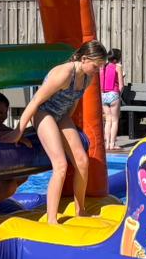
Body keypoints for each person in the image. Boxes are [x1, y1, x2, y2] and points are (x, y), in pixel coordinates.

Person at [14, 41, 107, 225]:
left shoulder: (87, 77)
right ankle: (51, 219)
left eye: (100, 67)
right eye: (96, 66)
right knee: (61, 166)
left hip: (61, 115)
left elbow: (72, 102)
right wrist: (18, 132)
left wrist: (64, 129)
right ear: (84, 59)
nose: (98, 71)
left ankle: (80, 210)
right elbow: (35, 101)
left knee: (82, 161)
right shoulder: (63, 73)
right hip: (43, 112)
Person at [100, 48, 124, 151]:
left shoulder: (103, 67)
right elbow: (121, 85)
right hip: (113, 94)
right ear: (117, 59)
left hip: (103, 95)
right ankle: (112, 144)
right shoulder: (118, 67)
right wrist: (119, 94)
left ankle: (106, 144)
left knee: (108, 120)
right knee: (114, 121)